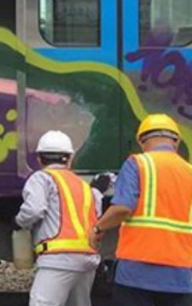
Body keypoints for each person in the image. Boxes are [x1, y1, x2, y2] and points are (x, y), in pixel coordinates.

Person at [89, 114, 192, 306]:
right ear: (176, 142)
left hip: (136, 274)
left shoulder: (138, 163)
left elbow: (122, 208)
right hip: (181, 277)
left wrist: (98, 228)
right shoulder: (189, 171)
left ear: (142, 141)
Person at [15, 131, 102, 306]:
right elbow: (97, 216)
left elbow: (34, 209)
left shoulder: (42, 178)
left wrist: (19, 221)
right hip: (87, 259)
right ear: (70, 158)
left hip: (57, 259)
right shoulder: (86, 186)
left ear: (39, 159)